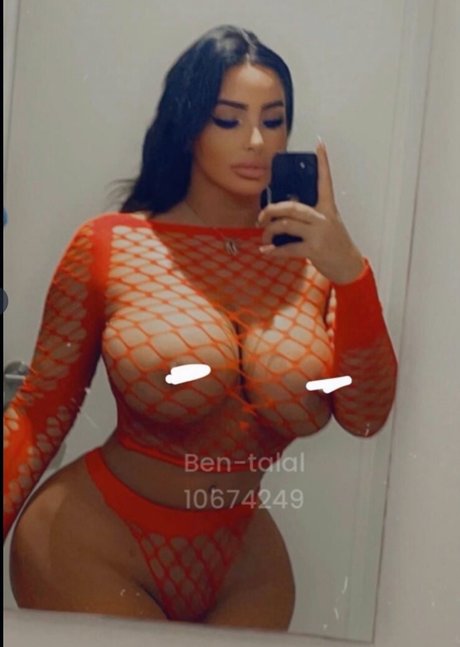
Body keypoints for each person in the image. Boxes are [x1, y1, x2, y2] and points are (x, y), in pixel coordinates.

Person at [3, 24, 398, 629]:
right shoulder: (112, 245)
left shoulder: (316, 265)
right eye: (228, 119)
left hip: (246, 565)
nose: (256, 140)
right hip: (88, 541)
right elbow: (38, 414)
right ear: (188, 126)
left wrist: (351, 274)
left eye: (274, 120)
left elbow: (366, 416)